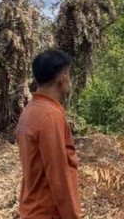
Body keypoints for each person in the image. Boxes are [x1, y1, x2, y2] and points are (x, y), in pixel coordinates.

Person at [15, 49, 82, 218]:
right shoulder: (50, 116)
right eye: (68, 74)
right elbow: (58, 175)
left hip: (32, 208)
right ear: (62, 78)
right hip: (48, 212)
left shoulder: (31, 110)